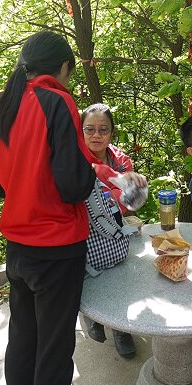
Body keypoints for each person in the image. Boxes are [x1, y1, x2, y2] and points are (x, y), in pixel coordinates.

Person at [0, 31, 146, 385]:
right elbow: (72, 185)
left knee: (23, 339)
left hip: (18, 248)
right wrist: (94, 176)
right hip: (57, 246)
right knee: (54, 350)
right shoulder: (56, 100)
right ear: (64, 67)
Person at [79, 103, 137, 358]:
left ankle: (122, 329)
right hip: (81, 231)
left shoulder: (121, 159)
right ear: (80, 131)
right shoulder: (73, 159)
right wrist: (113, 190)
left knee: (120, 280)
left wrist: (102, 188)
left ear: (112, 132)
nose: (96, 135)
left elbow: (131, 199)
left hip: (114, 230)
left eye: (103, 129)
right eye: (89, 129)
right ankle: (94, 318)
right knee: (90, 278)